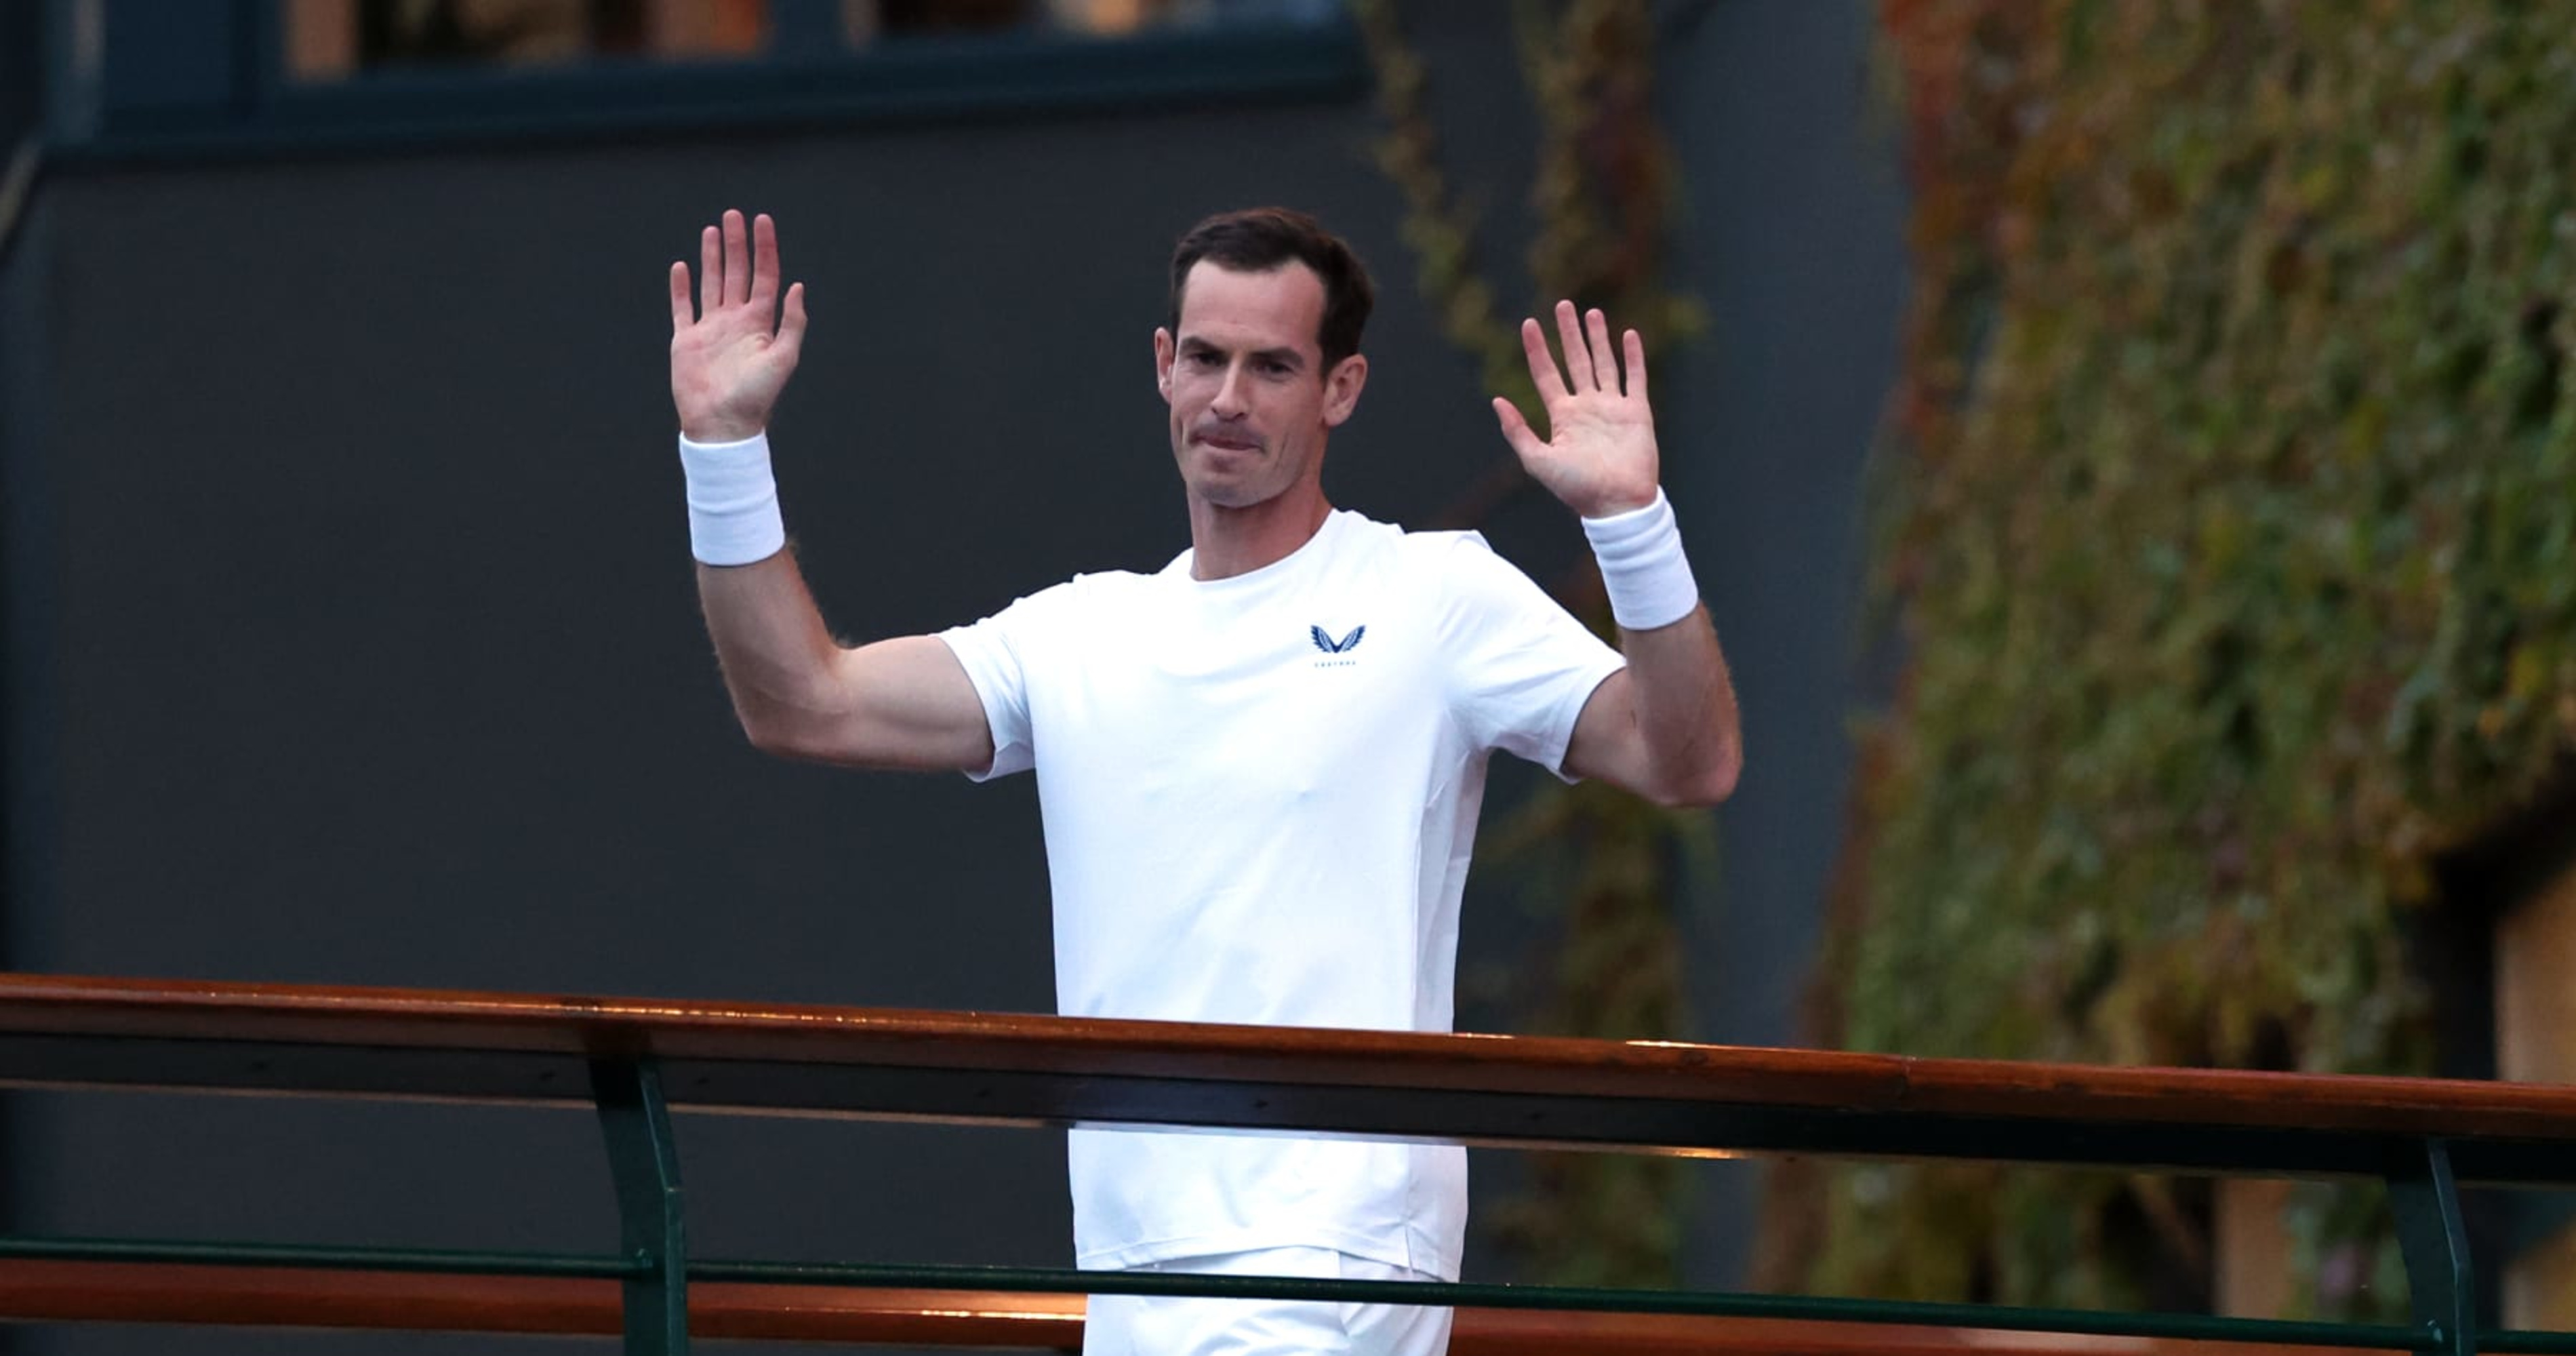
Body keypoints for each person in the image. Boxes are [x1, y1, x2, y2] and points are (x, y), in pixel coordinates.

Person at [666, 205, 1742, 1356]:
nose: (1231, 397)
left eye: (1274, 366)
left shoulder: (1436, 596)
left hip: (1335, 1253)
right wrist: (724, 448)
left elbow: (1687, 759)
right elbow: (804, 704)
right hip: (1133, 1264)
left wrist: (1634, 525)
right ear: (1164, 366)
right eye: (1209, 358)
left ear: (1341, 389)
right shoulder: (1080, 632)